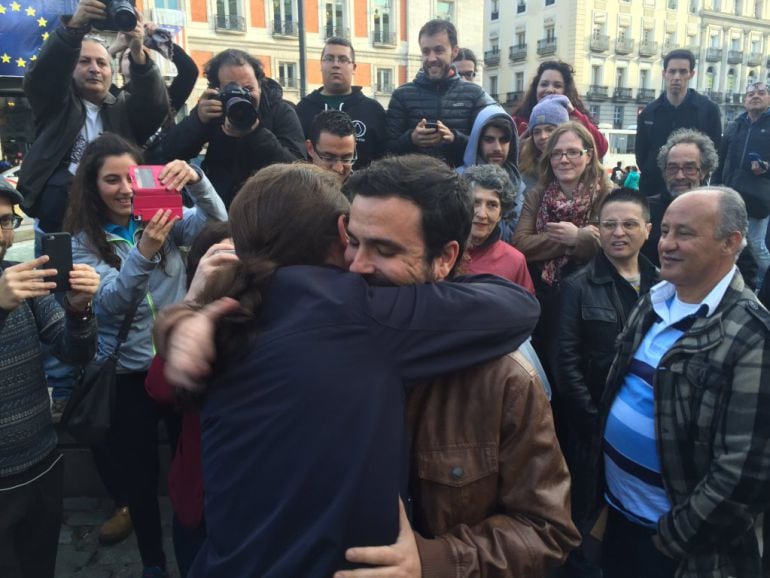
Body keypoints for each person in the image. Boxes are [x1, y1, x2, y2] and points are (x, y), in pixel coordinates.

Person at [159, 155, 579, 577]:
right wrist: (186, 318)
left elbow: (548, 531)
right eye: (353, 243)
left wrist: (437, 561)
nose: (356, 267)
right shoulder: (301, 321)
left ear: (446, 258)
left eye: (385, 249)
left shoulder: (501, 376)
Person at [63, 132, 227, 578]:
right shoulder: (83, 242)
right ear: (93, 187)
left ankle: (195, 549)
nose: (125, 189)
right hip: (127, 375)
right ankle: (153, 562)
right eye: (110, 180)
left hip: (176, 365)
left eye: (131, 176)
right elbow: (109, 304)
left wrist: (196, 179)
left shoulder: (164, 215)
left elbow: (220, 223)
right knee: (138, 479)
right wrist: (145, 251)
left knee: (189, 468)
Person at [586, 187, 770, 578]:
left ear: (731, 242)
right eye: (665, 230)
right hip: (617, 517)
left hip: (677, 549)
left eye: (684, 233)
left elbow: (745, 472)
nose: (666, 244)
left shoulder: (753, 335)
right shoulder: (655, 299)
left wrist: (669, 538)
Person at [0, 176, 99, 578]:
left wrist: (79, 311)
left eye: (6, 221)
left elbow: (74, 351)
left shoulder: (18, 278)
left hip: (41, 462)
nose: (2, 235)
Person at [558, 188, 658, 576]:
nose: (619, 233)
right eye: (609, 224)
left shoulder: (665, 285)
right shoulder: (578, 286)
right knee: (588, 528)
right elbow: (566, 363)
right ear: (597, 230)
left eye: (630, 224)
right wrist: (596, 422)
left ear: (648, 230)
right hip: (593, 431)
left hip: (649, 436)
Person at [17, 0, 168, 234]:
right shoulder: (56, 104)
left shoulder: (123, 109)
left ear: (112, 72)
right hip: (60, 221)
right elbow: (45, 75)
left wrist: (138, 52)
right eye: (84, 61)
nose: (94, 69)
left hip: (114, 217)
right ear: (70, 68)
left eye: (101, 63)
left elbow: (155, 106)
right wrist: (73, 30)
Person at [513, 121, 612, 428]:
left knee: (581, 369)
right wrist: (574, 238)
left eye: (573, 152)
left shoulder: (608, 193)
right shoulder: (537, 195)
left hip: (591, 298)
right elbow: (521, 244)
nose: (564, 160)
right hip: (546, 295)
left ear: (588, 154)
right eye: (557, 153)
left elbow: (609, 243)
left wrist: (581, 237)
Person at [162, 48, 305, 207]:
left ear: (260, 85)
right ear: (217, 90)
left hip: (268, 209)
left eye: (248, 89)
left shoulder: (281, 111)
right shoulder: (213, 111)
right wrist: (198, 120)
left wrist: (255, 133)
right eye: (232, 90)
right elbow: (170, 152)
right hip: (221, 210)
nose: (242, 96)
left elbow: (298, 169)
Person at [385, 19, 495, 167]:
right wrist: (411, 139)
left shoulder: (474, 94)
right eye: (426, 51)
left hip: (460, 184)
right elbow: (385, 149)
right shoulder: (401, 95)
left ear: (454, 52)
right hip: (413, 186)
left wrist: (455, 138)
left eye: (438, 50)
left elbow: (488, 145)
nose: (431, 58)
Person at [109, 21, 199, 163]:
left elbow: (189, 71)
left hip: (164, 170)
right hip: (126, 169)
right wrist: (113, 49)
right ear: (119, 68)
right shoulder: (111, 98)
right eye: (129, 56)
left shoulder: (165, 97)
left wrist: (158, 41)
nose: (135, 57)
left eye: (140, 54)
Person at [635, 49, 722, 197]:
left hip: (691, 190)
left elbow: (713, 151)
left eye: (682, 72)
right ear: (664, 74)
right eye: (672, 71)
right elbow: (641, 154)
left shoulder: (708, 110)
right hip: (653, 188)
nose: (677, 77)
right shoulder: (649, 112)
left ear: (691, 74)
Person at [295, 37, 386, 170]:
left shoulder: (373, 110)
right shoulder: (303, 109)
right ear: (321, 64)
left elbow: (383, 158)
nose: (336, 64)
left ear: (353, 67)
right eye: (330, 58)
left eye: (343, 59)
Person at [713, 81, 770, 290]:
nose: (755, 96)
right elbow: (722, 158)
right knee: (730, 242)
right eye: (751, 94)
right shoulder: (735, 126)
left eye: (761, 93)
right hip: (731, 193)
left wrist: (767, 168)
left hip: (759, 196)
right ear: (745, 101)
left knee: (755, 244)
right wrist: (715, 186)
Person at [511, 61, 608, 158]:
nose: (549, 89)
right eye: (544, 84)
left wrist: (573, 113)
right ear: (536, 88)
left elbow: (600, 148)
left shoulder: (576, 117)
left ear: (566, 91)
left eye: (557, 86)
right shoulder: (518, 121)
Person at [462, 164, 533, 292]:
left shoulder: (515, 261)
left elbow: (526, 310)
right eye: (475, 202)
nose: (482, 214)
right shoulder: (443, 253)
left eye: (492, 205)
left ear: (501, 214)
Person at [457, 104, 523, 239]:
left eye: (504, 140)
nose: (497, 148)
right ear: (477, 141)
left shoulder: (519, 184)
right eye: (489, 139)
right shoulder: (457, 180)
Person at [518, 93, 571, 189]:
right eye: (537, 132)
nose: (542, 136)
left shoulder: (579, 167)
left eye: (549, 129)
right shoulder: (526, 173)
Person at [305, 110, 357, 182]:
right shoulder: (292, 189)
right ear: (310, 148)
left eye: (346, 159)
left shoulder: (362, 191)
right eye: (329, 158)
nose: (338, 169)